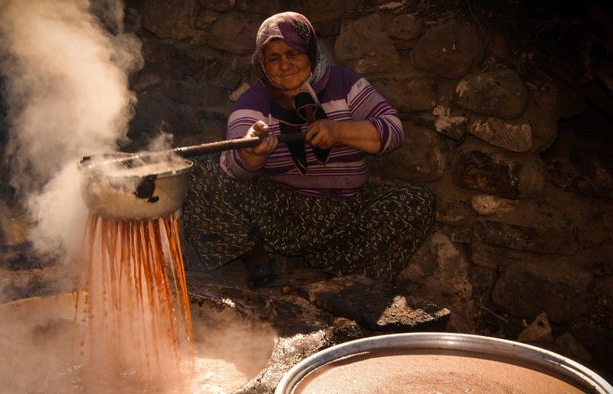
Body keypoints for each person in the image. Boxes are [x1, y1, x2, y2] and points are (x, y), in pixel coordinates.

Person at [183, 11, 435, 288]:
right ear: (264, 64)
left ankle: (352, 282)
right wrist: (253, 151)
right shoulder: (255, 100)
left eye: (293, 54)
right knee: (201, 171)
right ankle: (254, 257)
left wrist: (339, 131)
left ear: (311, 52)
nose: (284, 65)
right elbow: (231, 165)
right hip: (281, 210)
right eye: (274, 58)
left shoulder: (345, 84)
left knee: (417, 201)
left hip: (347, 209)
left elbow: (394, 130)